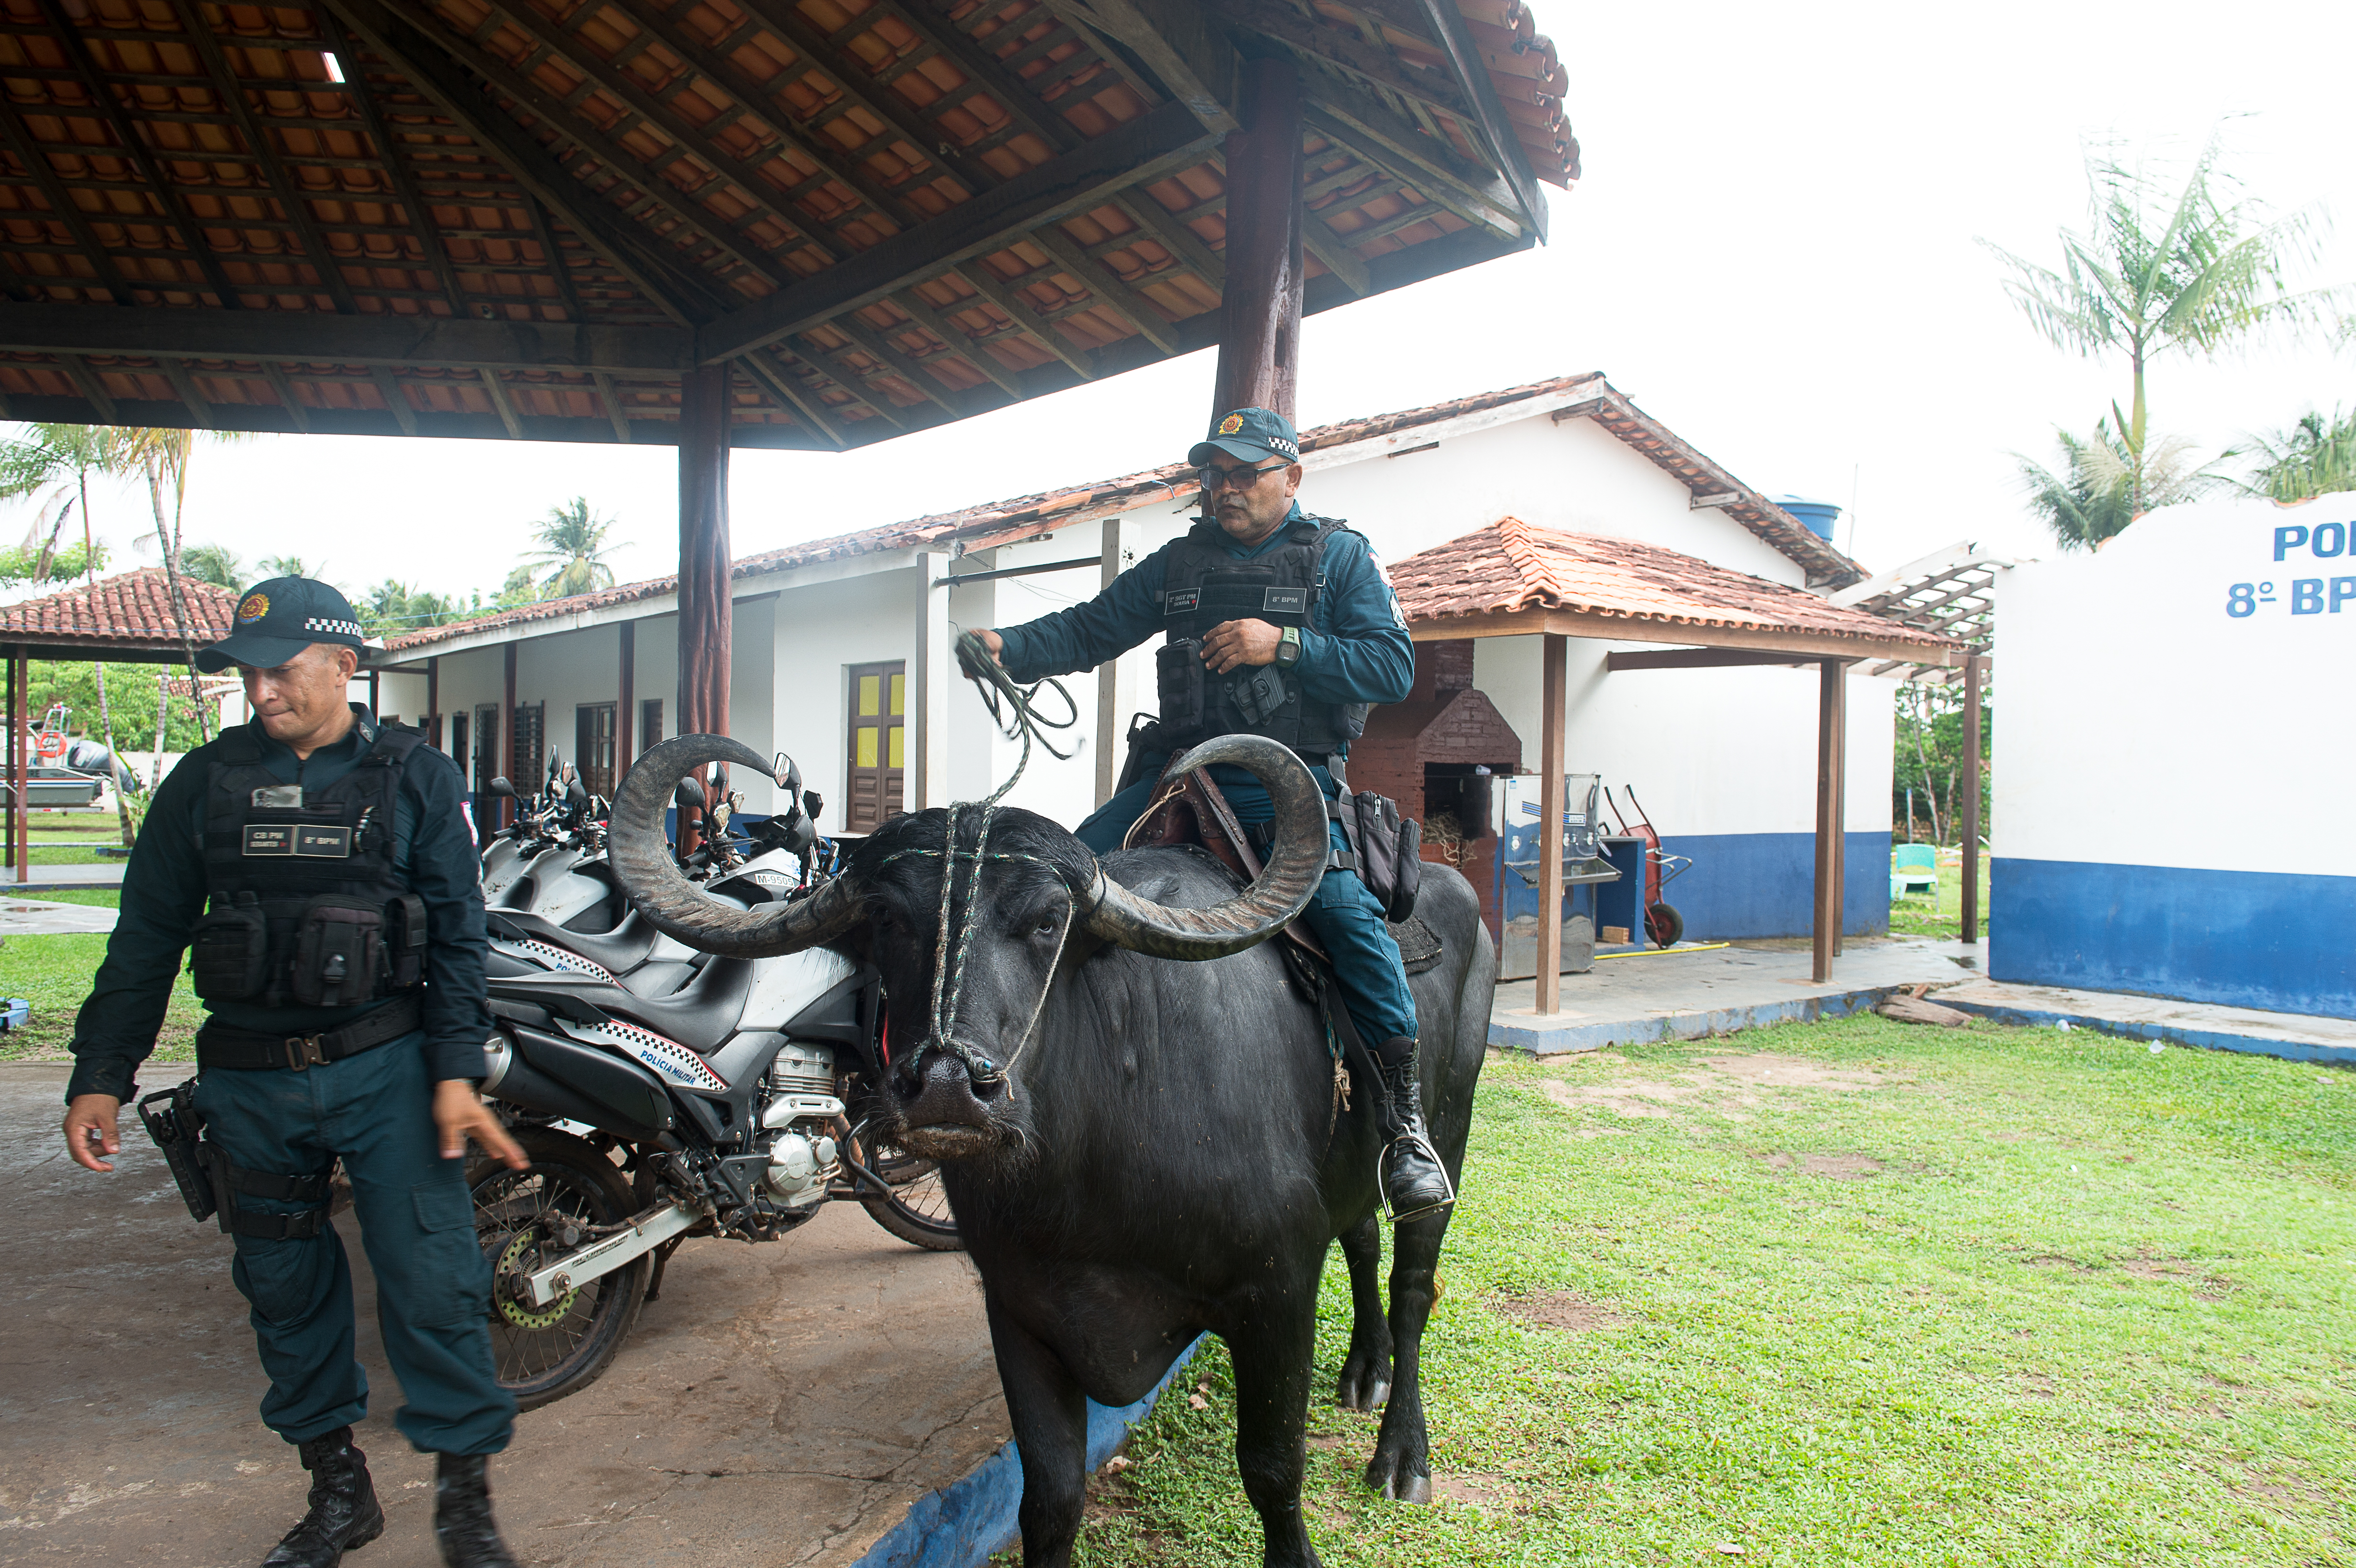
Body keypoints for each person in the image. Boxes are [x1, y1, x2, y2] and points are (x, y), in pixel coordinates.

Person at [58, 577, 530, 1568]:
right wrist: (102, 1070)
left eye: (280, 671)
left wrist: (455, 1068)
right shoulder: (205, 780)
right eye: (249, 674)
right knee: (282, 1286)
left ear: (343, 665)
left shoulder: (416, 776)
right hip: (250, 1081)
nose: (261, 691)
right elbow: (146, 933)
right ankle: (338, 1488)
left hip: (387, 1069)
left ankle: (465, 1502)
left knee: (433, 1280)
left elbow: (460, 935)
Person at [968, 407, 1452, 1221]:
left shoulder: (1340, 557)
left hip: (1289, 785)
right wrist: (1007, 648)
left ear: (1291, 477)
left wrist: (1283, 644)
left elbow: (1392, 666)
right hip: (1180, 779)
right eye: (1214, 475)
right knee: (1055, 887)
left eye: (1245, 474)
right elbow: (1091, 629)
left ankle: (1405, 1130)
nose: (1226, 489)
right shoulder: (1179, 564)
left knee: (1345, 919)